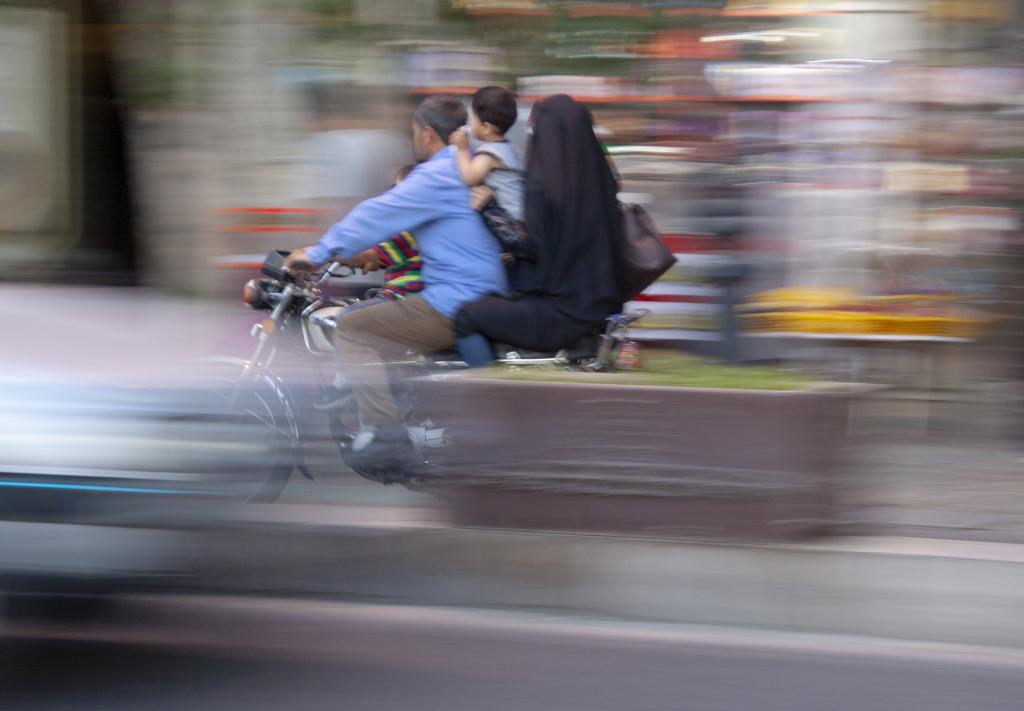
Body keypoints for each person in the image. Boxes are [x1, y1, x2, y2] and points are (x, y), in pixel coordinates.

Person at [284, 96, 507, 463]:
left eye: (414, 132)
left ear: (428, 133)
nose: (414, 139)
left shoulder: (438, 174)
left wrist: (316, 252)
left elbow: (377, 214)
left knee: (353, 327)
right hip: (481, 293)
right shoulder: (465, 168)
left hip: (458, 299)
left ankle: (384, 436)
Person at [453, 94, 624, 366]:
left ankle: (485, 396)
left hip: (562, 312)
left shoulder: (547, 189)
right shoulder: (604, 185)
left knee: (466, 316)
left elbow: (529, 245)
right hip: (599, 306)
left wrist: (490, 208)